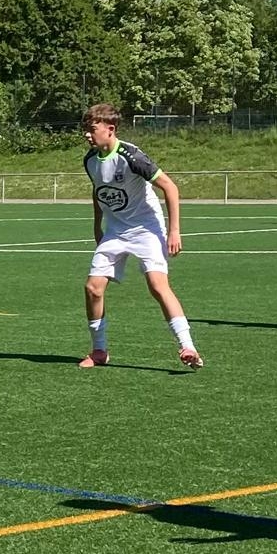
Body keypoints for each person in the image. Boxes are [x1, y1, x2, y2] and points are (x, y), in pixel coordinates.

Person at [76, 104, 202, 369]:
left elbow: (170, 187)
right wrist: (97, 227)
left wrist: (174, 231)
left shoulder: (132, 156)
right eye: (85, 129)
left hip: (146, 228)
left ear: (110, 129)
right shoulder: (90, 160)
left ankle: (188, 346)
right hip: (116, 231)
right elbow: (99, 192)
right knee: (93, 288)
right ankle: (99, 351)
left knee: (157, 285)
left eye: (92, 129)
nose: (87, 134)